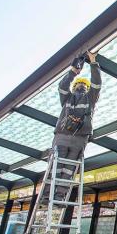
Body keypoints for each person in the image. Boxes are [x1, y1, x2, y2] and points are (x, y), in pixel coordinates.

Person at [40, 51, 101, 204]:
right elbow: (62, 86)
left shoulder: (90, 98)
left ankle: (59, 196)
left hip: (77, 139)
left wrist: (93, 63)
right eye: (78, 84)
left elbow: (97, 84)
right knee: (57, 166)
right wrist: (74, 71)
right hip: (65, 137)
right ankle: (48, 195)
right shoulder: (67, 98)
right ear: (74, 87)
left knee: (67, 169)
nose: (81, 86)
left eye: (84, 85)